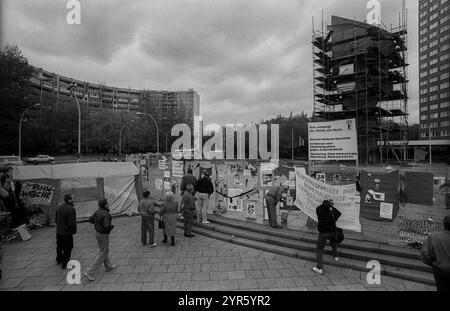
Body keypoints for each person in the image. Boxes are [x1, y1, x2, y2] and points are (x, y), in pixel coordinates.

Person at [84, 199, 116, 281]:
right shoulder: (106, 214)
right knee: (103, 253)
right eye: (107, 203)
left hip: (98, 233)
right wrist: (111, 227)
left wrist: (98, 225)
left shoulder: (97, 211)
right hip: (103, 234)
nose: (108, 204)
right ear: (105, 205)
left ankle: (108, 266)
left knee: (104, 250)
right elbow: (107, 226)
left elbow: (90, 220)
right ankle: (89, 271)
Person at [421, 216, 450, 291]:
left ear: (443, 224)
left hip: (440, 269)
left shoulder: (434, 236)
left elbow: (425, 253)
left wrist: (431, 263)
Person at [313, 199, 341, 274]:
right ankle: (336, 257)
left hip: (322, 233)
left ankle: (319, 268)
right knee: (333, 244)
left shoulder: (319, 210)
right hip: (331, 232)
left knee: (319, 251)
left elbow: (319, 207)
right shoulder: (332, 212)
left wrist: (327, 204)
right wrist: (331, 206)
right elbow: (339, 213)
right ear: (329, 206)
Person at [55, 194, 77, 269]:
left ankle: (58, 260)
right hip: (67, 232)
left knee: (60, 246)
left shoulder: (59, 207)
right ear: (69, 200)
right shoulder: (71, 209)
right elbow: (72, 222)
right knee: (68, 247)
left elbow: (56, 220)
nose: (74, 199)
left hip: (59, 231)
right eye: (72, 198)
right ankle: (65, 263)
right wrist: (73, 231)